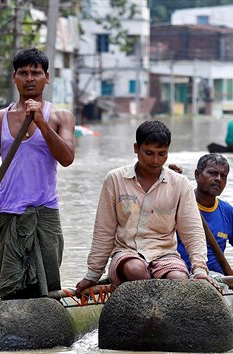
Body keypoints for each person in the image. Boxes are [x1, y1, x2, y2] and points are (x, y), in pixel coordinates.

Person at [0, 48, 76, 300]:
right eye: (23, 73)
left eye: (36, 72)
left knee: (48, 290)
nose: (30, 78)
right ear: (14, 78)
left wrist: (41, 121)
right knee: (11, 290)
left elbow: (66, 158)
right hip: (10, 213)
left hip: (45, 213)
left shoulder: (61, 116)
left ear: (47, 77)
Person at [75, 120, 216, 296]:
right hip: (126, 254)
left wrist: (200, 271)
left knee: (179, 278)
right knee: (135, 270)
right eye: (149, 153)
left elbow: (193, 232)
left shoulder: (180, 183)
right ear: (136, 148)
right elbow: (104, 230)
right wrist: (93, 274)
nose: (155, 160)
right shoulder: (115, 179)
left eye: (162, 154)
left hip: (165, 255)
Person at [176, 153, 233, 288]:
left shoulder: (228, 212)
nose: (218, 179)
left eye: (223, 176)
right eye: (212, 173)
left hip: (215, 278)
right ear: (197, 175)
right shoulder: (179, 203)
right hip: (179, 273)